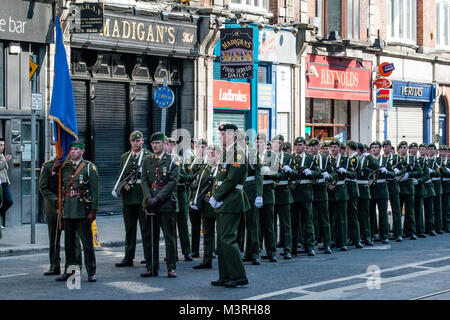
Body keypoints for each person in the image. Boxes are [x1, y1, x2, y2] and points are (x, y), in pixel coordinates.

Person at [210, 123, 250, 288]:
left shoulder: (238, 153)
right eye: (220, 134)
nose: (222, 137)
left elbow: (232, 179)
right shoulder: (227, 153)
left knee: (227, 239)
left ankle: (239, 275)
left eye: (225, 134)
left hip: (231, 200)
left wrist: (217, 196)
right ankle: (225, 275)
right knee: (221, 241)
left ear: (234, 135)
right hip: (224, 201)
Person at [55, 140, 99, 283]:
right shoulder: (65, 167)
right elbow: (57, 183)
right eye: (71, 149)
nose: (73, 151)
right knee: (69, 245)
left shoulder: (88, 168)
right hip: (68, 210)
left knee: (87, 244)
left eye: (76, 149)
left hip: (82, 211)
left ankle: (91, 272)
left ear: (82, 151)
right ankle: (70, 272)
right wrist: (54, 169)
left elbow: (95, 191)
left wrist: (93, 210)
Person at [140, 132, 180, 278]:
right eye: (153, 143)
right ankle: (152, 267)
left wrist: (157, 198)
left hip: (165, 203)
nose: (155, 146)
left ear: (165, 144)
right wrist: (149, 198)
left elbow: (172, 182)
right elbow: (144, 180)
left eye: (158, 143)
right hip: (150, 203)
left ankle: (171, 267)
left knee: (169, 237)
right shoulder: (146, 160)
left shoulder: (172, 161)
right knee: (151, 236)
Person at [113, 130, 152, 268]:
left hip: (142, 197)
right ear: (130, 142)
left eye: (138, 140)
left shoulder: (148, 156)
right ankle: (128, 257)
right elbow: (122, 174)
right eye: (133, 141)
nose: (136, 143)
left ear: (142, 141)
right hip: (128, 197)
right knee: (129, 229)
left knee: (146, 229)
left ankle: (149, 257)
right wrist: (117, 188)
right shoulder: (125, 157)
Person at [39, 157, 82, 276]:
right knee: (54, 239)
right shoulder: (48, 166)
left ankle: (75, 267)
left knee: (74, 239)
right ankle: (54, 266)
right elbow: (43, 187)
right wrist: (53, 172)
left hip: (70, 207)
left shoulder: (72, 167)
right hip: (53, 208)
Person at [190, 145, 221, 269]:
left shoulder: (222, 168)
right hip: (206, 205)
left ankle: (223, 259)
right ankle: (207, 259)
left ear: (219, 154)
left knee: (221, 234)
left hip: (219, 205)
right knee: (207, 233)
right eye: (209, 154)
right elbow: (198, 187)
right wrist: (194, 200)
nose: (210, 156)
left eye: (213, 154)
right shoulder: (204, 168)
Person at [290, 137, 321, 256]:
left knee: (308, 221)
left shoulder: (311, 158)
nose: (299, 147)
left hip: (306, 193)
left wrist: (311, 173)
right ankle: (293, 247)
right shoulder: (291, 158)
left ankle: (310, 246)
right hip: (294, 193)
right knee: (294, 222)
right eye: (297, 145)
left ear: (304, 146)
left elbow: (318, 173)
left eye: (301, 145)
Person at [238, 131, 263, 266]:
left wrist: (259, 194)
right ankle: (243, 253)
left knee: (252, 224)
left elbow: (259, 174)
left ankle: (254, 254)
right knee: (239, 224)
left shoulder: (253, 153)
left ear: (246, 141)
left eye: (242, 140)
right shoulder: (234, 154)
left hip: (251, 190)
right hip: (238, 191)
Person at [167, 138, 194, 262]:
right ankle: (172, 254)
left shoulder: (182, 160)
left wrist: (177, 177)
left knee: (183, 225)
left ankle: (187, 252)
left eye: (173, 145)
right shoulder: (163, 161)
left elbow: (190, 175)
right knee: (170, 227)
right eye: (168, 145)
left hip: (181, 195)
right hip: (168, 196)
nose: (171, 147)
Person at [255, 133, 280, 263]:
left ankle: (271, 251)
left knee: (268, 225)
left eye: (261, 141)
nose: (259, 144)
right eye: (257, 141)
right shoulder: (251, 155)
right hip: (255, 193)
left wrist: (268, 172)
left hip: (267, 193)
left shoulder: (273, 156)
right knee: (254, 225)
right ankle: (255, 251)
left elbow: (278, 174)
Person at [328, 140, 355, 251]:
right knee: (330, 218)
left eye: (335, 147)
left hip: (341, 190)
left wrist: (346, 172)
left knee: (342, 218)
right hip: (330, 190)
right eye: (332, 147)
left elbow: (353, 174)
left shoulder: (345, 159)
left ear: (339, 148)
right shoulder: (327, 159)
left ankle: (343, 241)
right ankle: (331, 240)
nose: (333, 149)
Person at [272, 135, 294, 258]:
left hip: (284, 192)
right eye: (276, 143)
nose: (278, 145)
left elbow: (295, 174)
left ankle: (287, 249)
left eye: (280, 143)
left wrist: (290, 170)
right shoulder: (268, 157)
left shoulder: (289, 157)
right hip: (272, 192)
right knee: (272, 223)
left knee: (285, 223)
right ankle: (272, 250)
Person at [311, 138, 334, 254]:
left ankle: (327, 244)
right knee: (311, 219)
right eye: (311, 146)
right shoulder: (306, 159)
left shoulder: (324, 159)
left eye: (315, 146)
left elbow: (333, 173)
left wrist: (328, 176)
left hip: (321, 190)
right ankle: (310, 243)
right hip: (310, 190)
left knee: (325, 219)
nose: (313, 148)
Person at [369, 141, 394, 244]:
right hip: (371, 189)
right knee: (371, 214)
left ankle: (384, 235)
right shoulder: (368, 160)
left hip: (382, 188)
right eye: (373, 148)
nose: (374, 149)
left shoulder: (385, 160)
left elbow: (392, 174)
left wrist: (386, 172)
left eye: (376, 147)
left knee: (383, 214)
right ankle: (370, 235)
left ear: (380, 149)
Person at [397, 141, 421, 240]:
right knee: (397, 211)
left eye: (405, 147)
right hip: (398, 188)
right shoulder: (395, 159)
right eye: (401, 147)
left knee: (410, 211)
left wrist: (409, 174)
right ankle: (397, 231)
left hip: (409, 188)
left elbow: (419, 172)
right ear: (398, 150)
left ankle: (411, 231)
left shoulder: (412, 159)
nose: (403, 149)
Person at [356, 142, 379, 246]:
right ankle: (357, 237)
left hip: (364, 189)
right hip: (354, 189)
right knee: (355, 216)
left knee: (365, 215)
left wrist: (369, 155)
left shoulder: (366, 158)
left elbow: (376, 165)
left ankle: (367, 237)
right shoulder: (352, 159)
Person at [189, 139, 208, 258]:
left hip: (205, 198)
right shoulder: (191, 161)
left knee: (207, 226)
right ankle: (194, 250)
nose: (201, 149)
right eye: (199, 147)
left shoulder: (209, 161)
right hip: (193, 197)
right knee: (195, 226)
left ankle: (209, 250)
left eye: (203, 147)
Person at [383, 140, 403, 241]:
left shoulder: (396, 158)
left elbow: (403, 169)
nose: (386, 148)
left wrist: (398, 171)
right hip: (384, 185)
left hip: (393, 184)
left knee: (396, 210)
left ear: (391, 148)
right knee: (384, 211)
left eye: (388, 146)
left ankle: (398, 233)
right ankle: (385, 231)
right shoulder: (381, 158)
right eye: (385, 146)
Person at [345, 141, 363, 249]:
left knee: (352, 215)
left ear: (348, 148)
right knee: (351, 215)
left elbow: (353, 173)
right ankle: (353, 238)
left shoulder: (353, 159)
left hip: (351, 187)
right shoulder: (355, 158)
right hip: (351, 187)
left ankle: (356, 239)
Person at [409, 142, 428, 238]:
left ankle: (420, 230)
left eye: (414, 148)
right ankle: (409, 230)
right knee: (410, 210)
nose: (412, 150)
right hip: (409, 188)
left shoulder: (422, 161)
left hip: (418, 188)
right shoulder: (407, 160)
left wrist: (418, 181)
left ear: (417, 150)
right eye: (411, 148)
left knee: (418, 210)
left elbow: (426, 176)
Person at [428, 143, 444, 234]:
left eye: (432, 149)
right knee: (429, 208)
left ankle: (438, 227)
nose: (430, 151)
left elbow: (439, 172)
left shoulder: (438, 160)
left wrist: (433, 171)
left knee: (437, 207)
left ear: (435, 151)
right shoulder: (425, 160)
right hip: (428, 184)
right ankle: (430, 227)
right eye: (429, 149)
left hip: (436, 184)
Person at [0, 138, 12, 228]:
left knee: (9, 201)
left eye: (3, 145)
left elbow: (5, 169)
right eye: (0, 145)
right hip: (0, 182)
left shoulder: (1, 155)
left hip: (4, 181)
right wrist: (5, 160)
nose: (2, 147)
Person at [438, 145, 450, 233]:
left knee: (447, 207)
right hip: (439, 185)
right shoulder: (437, 161)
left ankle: (448, 225)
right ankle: (440, 225)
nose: (441, 153)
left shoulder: (449, 161)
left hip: (447, 185)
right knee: (439, 207)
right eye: (440, 152)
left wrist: (441, 169)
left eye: (443, 152)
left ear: (446, 152)